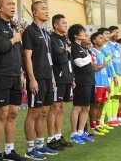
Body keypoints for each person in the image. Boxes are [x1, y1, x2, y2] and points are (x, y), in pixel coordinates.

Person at [0, 0, 28, 161]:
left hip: (16, 75)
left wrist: (22, 72)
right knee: (1, 113)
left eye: (13, 4)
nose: (12, 6)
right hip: (1, 74)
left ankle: (9, 151)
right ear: (0, 7)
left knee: (13, 113)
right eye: (9, 4)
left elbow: (18, 53)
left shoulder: (13, 26)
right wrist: (14, 39)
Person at [22, 1, 57, 160]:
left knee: (43, 111)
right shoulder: (30, 31)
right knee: (33, 112)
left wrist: (52, 77)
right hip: (36, 77)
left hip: (47, 77)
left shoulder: (46, 33)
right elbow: (27, 56)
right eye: (43, 8)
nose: (46, 10)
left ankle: (40, 145)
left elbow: (48, 58)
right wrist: (31, 79)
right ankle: (30, 148)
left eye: (46, 8)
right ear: (35, 12)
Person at [46, 14, 74, 150]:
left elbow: (67, 59)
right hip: (58, 78)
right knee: (55, 107)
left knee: (62, 108)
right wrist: (67, 52)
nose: (65, 25)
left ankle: (58, 136)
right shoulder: (53, 40)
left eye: (66, 22)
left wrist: (72, 77)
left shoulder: (64, 40)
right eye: (63, 23)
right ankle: (51, 138)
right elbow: (59, 58)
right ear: (56, 25)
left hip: (67, 78)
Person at [68, 24, 95, 145]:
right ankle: (74, 134)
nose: (84, 33)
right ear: (75, 35)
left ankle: (80, 132)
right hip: (80, 80)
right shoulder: (74, 47)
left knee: (86, 107)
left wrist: (88, 57)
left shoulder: (83, 48)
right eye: (81, 32)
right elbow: (78, 63)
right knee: (77, 107)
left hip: (89, 80)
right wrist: (89, 58)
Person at [89, 32, 111, 136]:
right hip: (97, 82)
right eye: (100, 38)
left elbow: (104, 68)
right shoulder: (92, 52)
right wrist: (103, 64)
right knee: (95, 105)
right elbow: (95, 68)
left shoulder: (102, 53)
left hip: (104, 82)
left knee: (101, 103)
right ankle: (93, 127)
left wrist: (108, 83)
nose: (102, 40)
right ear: (94, 41)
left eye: (103, 38)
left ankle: (98, 124)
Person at [107, 26, 121, 126]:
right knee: (110, 96)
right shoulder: (107, 44)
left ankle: (115, 117)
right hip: (110, 74)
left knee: (117, 96)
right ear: (110, 33)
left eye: (118, 32)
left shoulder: (119, 45)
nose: (117, 34)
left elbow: (120, 59)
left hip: (119, 74)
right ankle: (109, 119)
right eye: (114, 32)